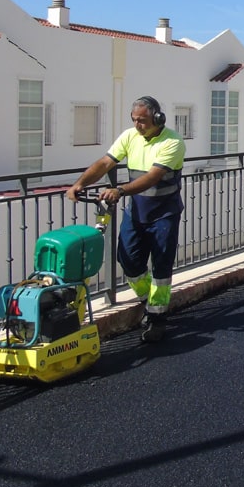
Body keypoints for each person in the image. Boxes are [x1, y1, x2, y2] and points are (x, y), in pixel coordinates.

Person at [66, 96, 186, 343]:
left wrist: (119, 191)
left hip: (164, 213)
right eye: (134, 120)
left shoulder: (173, 142)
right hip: (137, 211)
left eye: (142, 120)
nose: (138, 125)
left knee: (161, 268)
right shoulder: (129, 136)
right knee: (128, 260)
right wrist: (79, 184)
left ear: (157, 118)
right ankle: (148, 301)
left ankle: (157, 319)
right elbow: (105, 162)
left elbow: (152, 177)